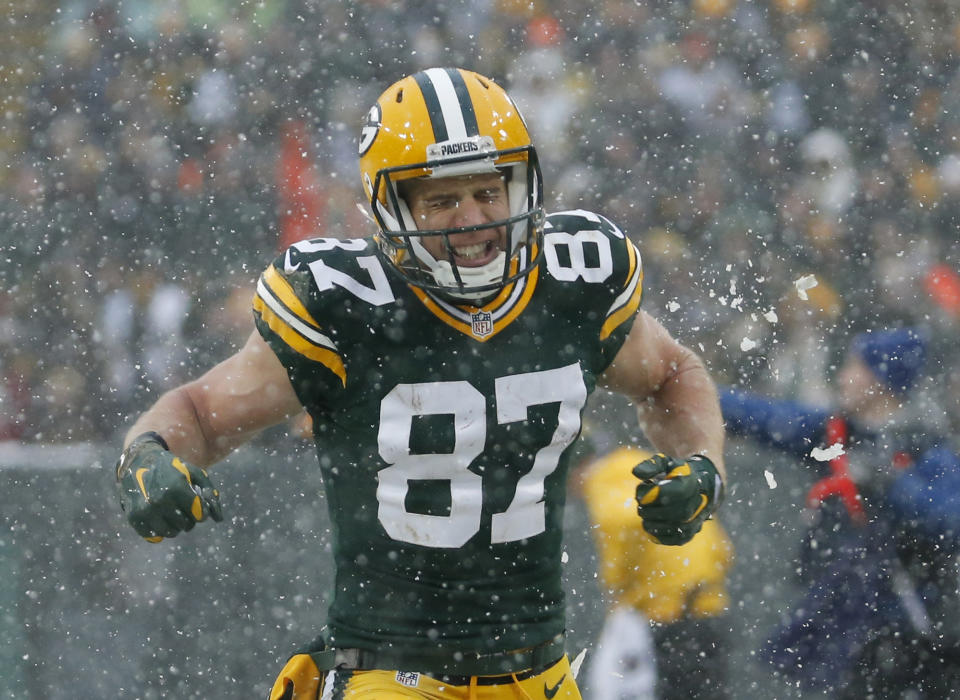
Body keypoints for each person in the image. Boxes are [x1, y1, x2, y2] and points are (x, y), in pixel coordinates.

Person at [113, 67, 727, 699]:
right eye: (441, 200)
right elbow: (202, 411)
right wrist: (148, 455)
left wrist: (703, 463)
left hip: (539, 674)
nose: (472, 220)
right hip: (391, 672)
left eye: (489, 191)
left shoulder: (575, 276)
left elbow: (672, 374)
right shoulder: (348, 304)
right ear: (390, 207)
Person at [720, 326, 960, 697]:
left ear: (881, 381)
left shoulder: (926, 447)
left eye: (854, 367)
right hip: (844, 631)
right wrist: (685, 387)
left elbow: (951, 521)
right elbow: (761, 416)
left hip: (903, 637)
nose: (842, 377)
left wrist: (892, 484)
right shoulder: (834, 433)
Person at [577, 443, 733, 700]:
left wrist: (617, 586)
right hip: (709, 606)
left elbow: (622, 526)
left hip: (667, 615)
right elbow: (722, 548)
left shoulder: (602, 478)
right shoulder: (644, 465)